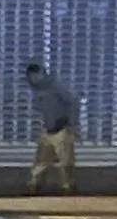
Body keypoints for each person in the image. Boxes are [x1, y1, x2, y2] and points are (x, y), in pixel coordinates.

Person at [26, 59, 79, 194]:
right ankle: (35, 184)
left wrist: (72, 124)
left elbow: (72, 101)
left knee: (65, 161)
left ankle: (68, 186)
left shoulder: (56, 85)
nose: (34, 79)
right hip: (49, 128)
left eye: (36, 75)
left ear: (43, 74)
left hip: (63, 127)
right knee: (42, 159)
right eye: (32, 76)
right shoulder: (36, 89)